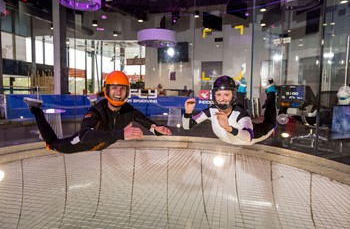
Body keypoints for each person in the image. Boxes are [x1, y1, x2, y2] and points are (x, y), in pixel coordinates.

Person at [24, 70, 172, 153]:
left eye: (122, 88)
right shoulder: (96, 111)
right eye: (114, 88)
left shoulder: (128, 110)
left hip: (102, 143)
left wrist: (158, 129)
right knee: (53, 145)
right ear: (107, 90)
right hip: (84, 143)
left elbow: (147, 123)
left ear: (127, 91)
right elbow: (85, 135)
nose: (118, 92)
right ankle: (36, 110)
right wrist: (121, 134)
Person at [182, 75, 277, 145]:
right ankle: (241, 90)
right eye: (219, 94)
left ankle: (271, 92)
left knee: (270, 123)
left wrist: (228, 128)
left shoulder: (242, 114)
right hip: (235, 130)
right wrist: (188, 113)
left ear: (233, 96)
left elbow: (248, 137)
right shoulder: (212, 111)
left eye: (226, 95)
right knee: (235, 107)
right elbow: (187, 126)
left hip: (253, 134)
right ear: (214, 95)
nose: (222, 99)